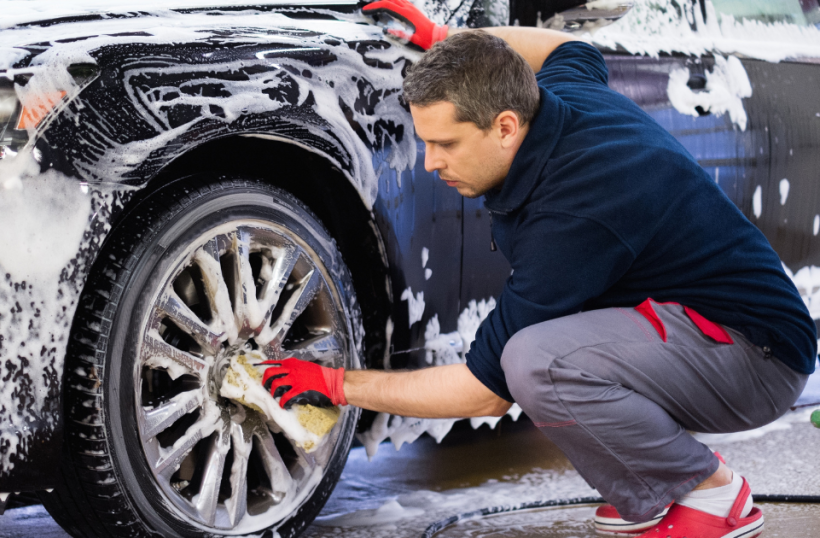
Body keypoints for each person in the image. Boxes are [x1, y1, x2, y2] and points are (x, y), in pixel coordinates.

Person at [261, 1, 817, 537]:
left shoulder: (574, 215)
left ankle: (714, 495)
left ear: (505, 127)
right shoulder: (557, 97)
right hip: (702, 329)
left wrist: (338, 384)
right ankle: (656, 493)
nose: (431, 163)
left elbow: (484, 392)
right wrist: (449, 43)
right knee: (539, 354)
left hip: (756, 360)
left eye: (446, 143)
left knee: (534, 362)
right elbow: (572, 46)